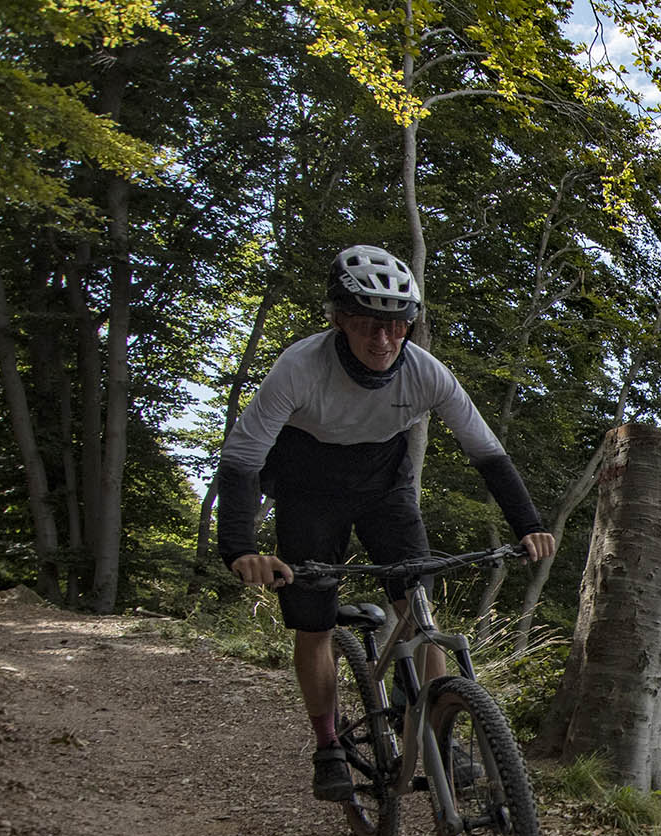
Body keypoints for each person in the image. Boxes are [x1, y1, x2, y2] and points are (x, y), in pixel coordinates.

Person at [216, 244, 557, 801]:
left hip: (385, 490)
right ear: (342, 321)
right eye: (370, 326)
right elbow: (242, 460)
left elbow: (487, 454)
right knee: (315, 622)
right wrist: (239, 548)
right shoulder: (300, 367)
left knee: (418, 607)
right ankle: (328, 744)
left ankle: (439, 734)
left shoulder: (426, 374)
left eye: (397, 326)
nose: (383, 341)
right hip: (308, 494)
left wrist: (528, 525)